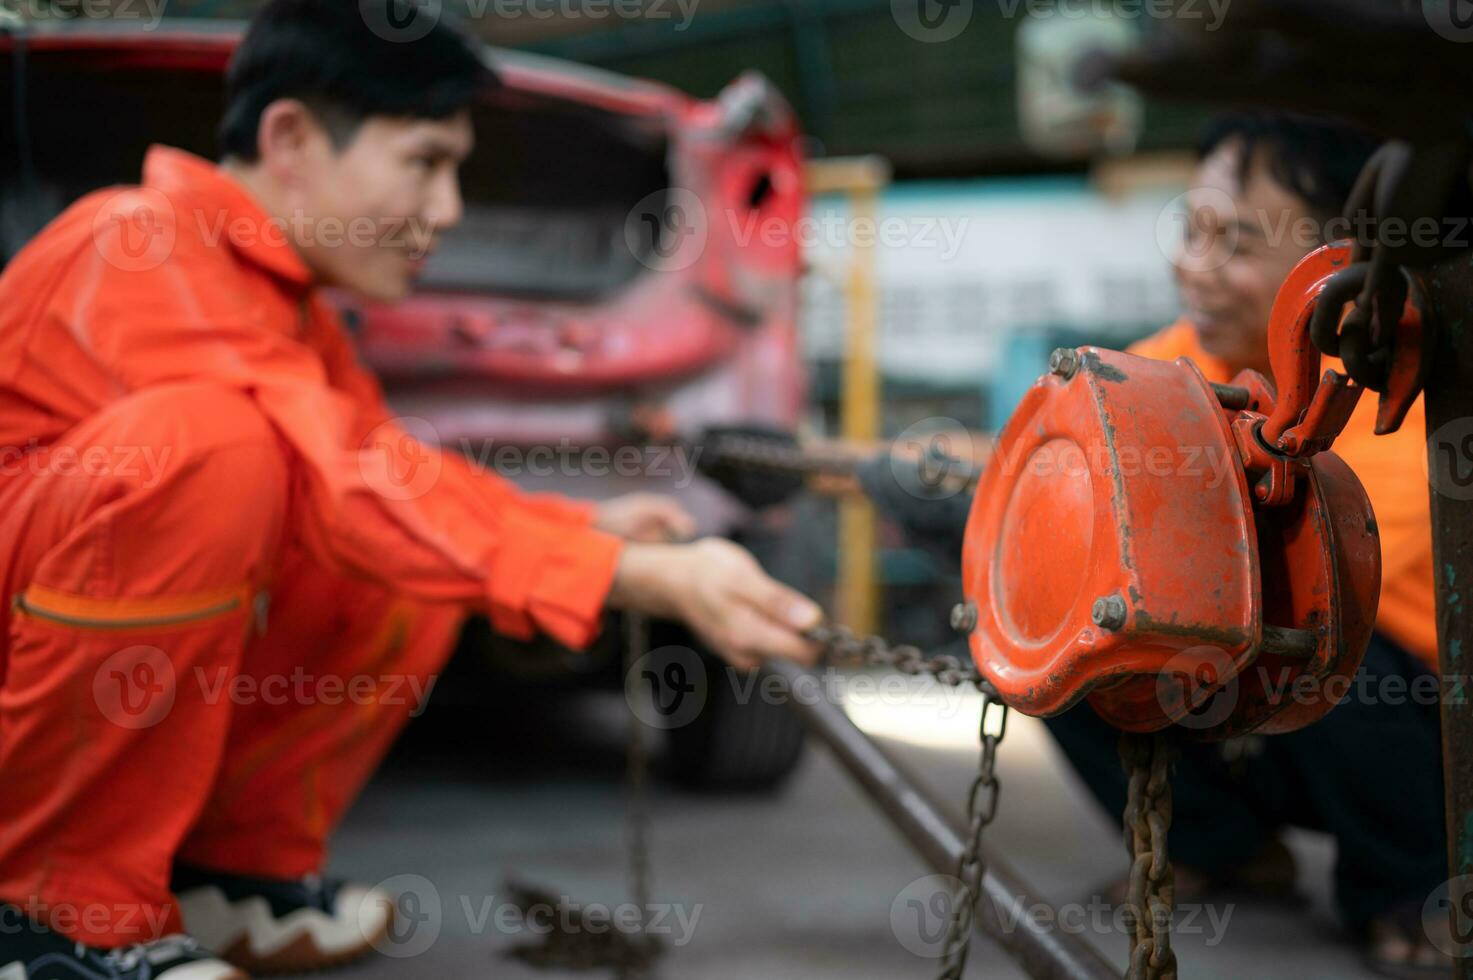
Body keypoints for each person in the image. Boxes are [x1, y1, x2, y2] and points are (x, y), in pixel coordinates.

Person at [0, 3, 821, 977]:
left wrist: (582, 523)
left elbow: (388, 474)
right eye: (426, 162)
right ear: (291, 139)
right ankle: (51, 919)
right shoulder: (136, 244)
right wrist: (631, 574)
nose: (447, 210)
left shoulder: (288, 304)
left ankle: (235, 875)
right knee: (212, 446)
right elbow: (340, 478)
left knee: (403, 553)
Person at [862, 113, 1444, 978]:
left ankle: (1408, 888)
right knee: (1049, 601)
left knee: (1317, 617)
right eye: (1192, 228)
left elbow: (1279, 572)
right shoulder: (1171, 368)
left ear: (1339, 265)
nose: (1193, 267)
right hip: (1266, 719)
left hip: (1418, 731)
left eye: (1236, 242)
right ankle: (1224, 845)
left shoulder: (1410, 401)